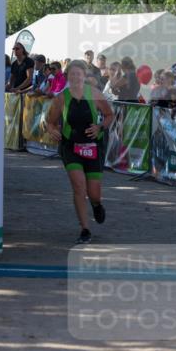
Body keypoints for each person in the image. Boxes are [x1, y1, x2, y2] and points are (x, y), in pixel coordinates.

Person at [45, 60, 115, 244]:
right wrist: (51, 129)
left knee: (94, 193)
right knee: (78, 187)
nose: (75, 77)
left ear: (85, 76)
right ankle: (85, 228)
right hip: (71, 146)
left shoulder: (95, 94)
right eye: (72, 74)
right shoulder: (62, 97)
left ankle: (96, 204)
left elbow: (109, 115)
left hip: (93, 147)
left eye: (79, 74)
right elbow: (50, 121)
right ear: (68, 76)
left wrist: (100, 127)